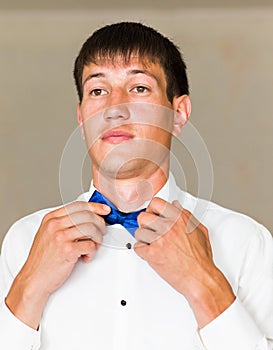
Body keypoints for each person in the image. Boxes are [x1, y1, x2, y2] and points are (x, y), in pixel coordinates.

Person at [0, 21, 272, 350]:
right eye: (98, 91)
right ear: (81, 118)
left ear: (179, 113)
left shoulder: (245, 242)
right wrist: (28, 287)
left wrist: (204, 283)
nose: (115, 108)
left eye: (139, 88)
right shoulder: (24, 241)